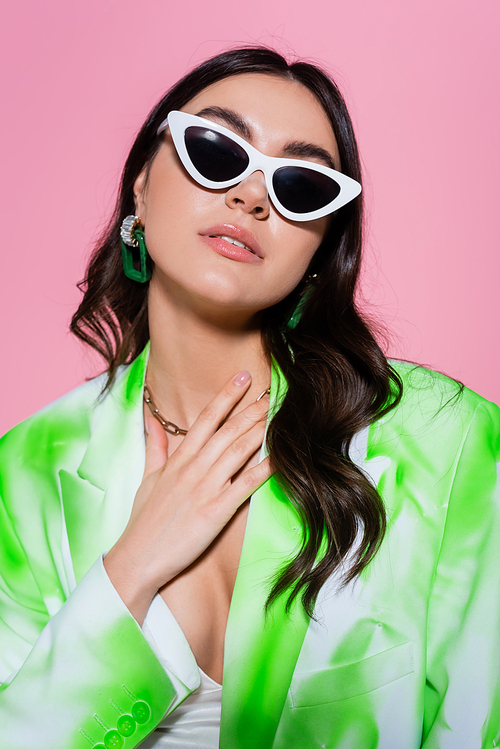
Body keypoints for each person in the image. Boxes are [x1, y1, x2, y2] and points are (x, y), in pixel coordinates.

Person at [0, 46, 498, 749]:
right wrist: (130, 568)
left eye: (299, 186)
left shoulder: (446, 445)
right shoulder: (24, 472)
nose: (251, 195)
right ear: (141, 185)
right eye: (215, 149)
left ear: (321, 249)